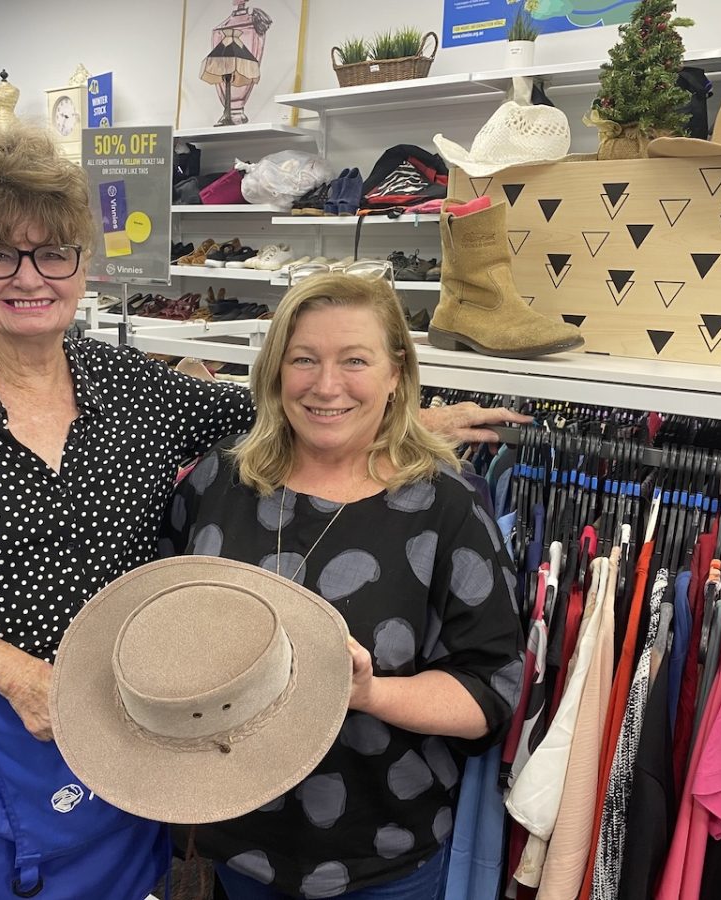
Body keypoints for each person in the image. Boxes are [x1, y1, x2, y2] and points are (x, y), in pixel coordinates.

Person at [0, 119, 525, 899]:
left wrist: (405, 421)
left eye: (53, 253)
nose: (27, 277)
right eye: (0, 252)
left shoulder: (129, 384)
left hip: (120, 719)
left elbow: (274, 405)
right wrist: (14, 674)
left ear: (82, 264)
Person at [163, 272, 527, 899]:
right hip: (237, 839)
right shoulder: (220, 481)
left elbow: (488, 691)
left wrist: (368, 694)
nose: (326, 386)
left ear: (396, 375)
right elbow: (167, 618)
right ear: (277, 371)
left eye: (354, 360)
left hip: (383, 854)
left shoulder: (448, 506)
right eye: (304, 359)